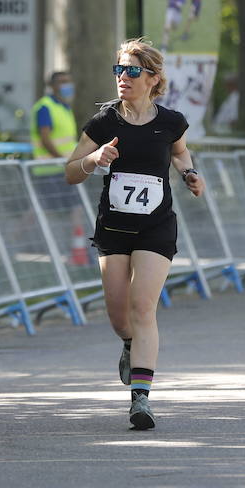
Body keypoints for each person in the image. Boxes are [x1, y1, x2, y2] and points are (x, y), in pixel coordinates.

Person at [63, 38, 205, 430]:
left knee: (144, 308)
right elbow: (71, 170)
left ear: (153, 78)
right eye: (119, 70)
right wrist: (94, 159)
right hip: (114, 228)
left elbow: (179, 152)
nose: (123, 78)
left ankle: (141, 399)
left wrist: (189, 173)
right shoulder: (105, 121)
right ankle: (129, 343)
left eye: (132, 71)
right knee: (118, 314)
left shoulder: (171, 121)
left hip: (156, 226)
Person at [30, 71, 78, 163]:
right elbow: (45, 140)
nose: (67, 85)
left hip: (63, 166)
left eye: (69, 81)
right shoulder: (45, 107)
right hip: (49, 167)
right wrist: (62, 160)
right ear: (52, 86)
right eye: (63, 82)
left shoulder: (65, 107)